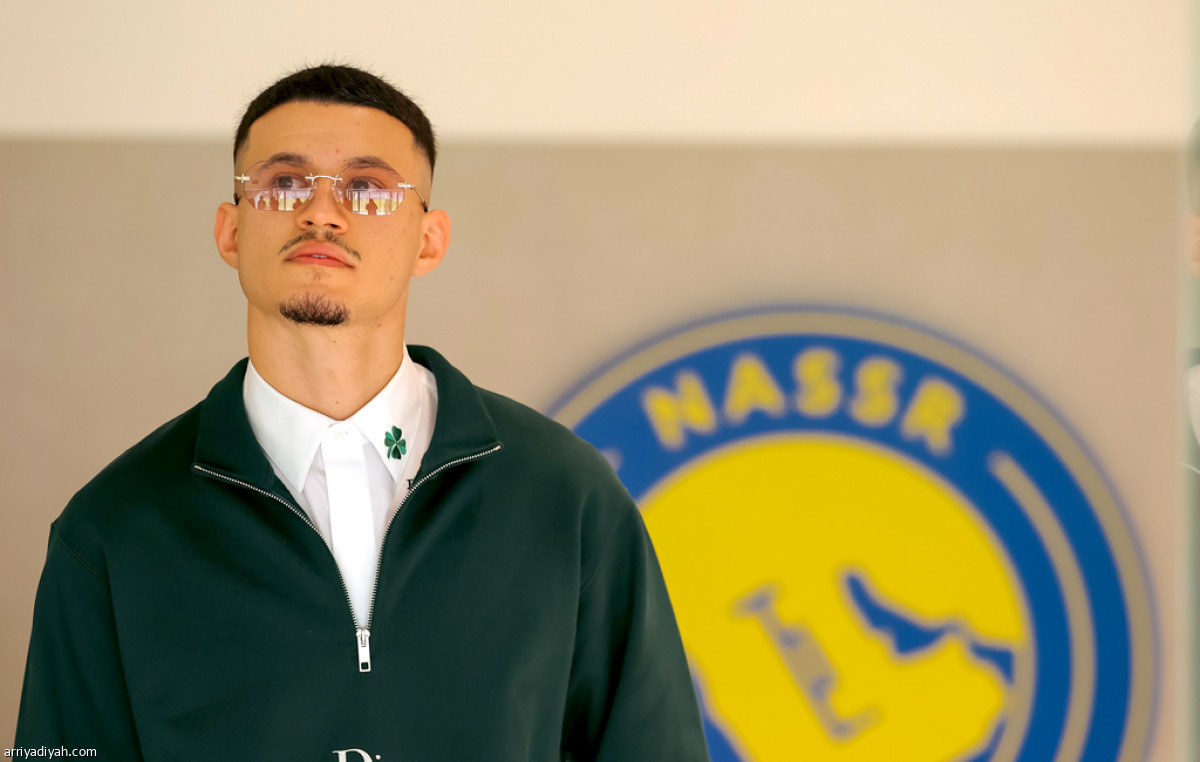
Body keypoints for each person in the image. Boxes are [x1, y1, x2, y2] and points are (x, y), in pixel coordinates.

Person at [15, 64, 709, 761]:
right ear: (230, 231)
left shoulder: (566, 496)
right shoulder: (114, 528)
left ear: (428, 240)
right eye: (284, 183)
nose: (321, 211)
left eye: (368, 189)